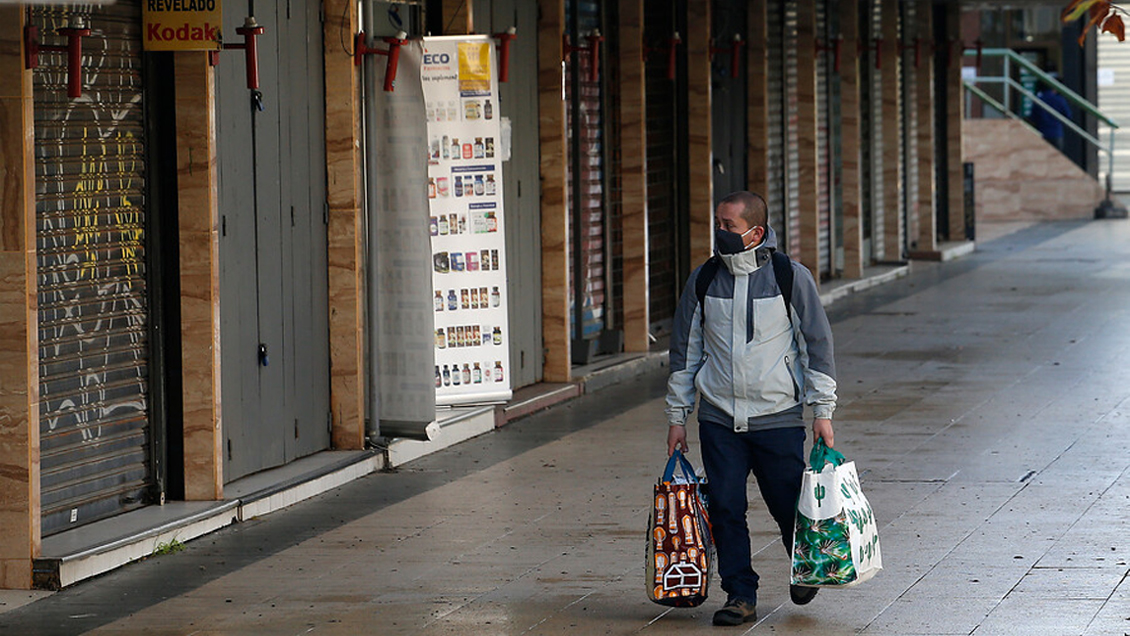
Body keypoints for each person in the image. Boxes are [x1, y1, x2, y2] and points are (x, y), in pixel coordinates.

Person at [665, 191, 837, 627]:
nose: (719, 232)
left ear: (755, 232)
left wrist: (822, 410)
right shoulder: (703, 279)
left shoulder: (789, 277)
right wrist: (677, 417)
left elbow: (816, 345)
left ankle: (804, 566)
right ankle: (740, 594)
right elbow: (685, 351)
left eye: (728, 226)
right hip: (719, 417)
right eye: (717, 223)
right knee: (724, 506)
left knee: (785, 504)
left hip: (777, 416)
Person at [1029, 78, 1073, 151]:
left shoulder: (1039, 99)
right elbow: (1068, 115)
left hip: (1042, 132)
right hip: (1056, 133)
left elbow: (1033, 117)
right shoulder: (1060, 100)